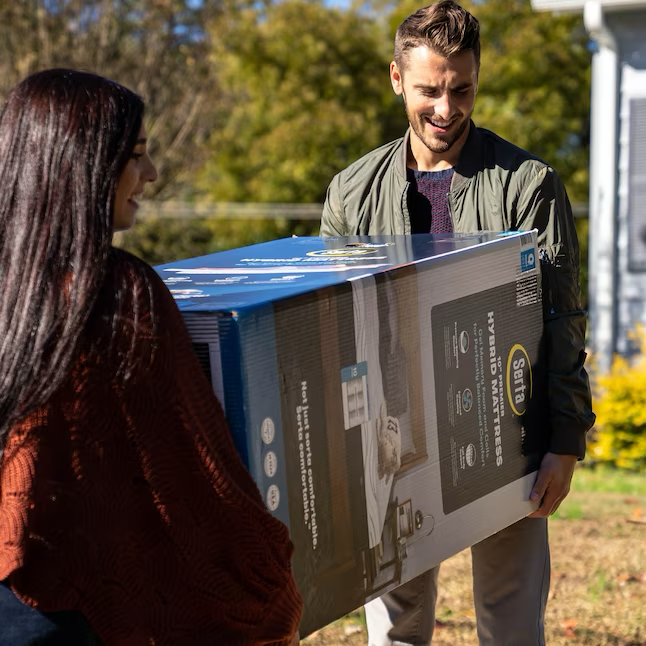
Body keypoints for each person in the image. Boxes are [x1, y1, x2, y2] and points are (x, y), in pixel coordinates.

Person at [320, 2, 595, 644]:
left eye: (461, 88)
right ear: (396, 78)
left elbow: (562, 319)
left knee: (510, 621)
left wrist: (566, 440)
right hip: (395, 443)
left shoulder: (529, 185)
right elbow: (336, 332)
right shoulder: (350, 193)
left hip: (510, 434)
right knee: (395, 626)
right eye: (429, 90)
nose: (446, 109)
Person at [0, 69, 303, 646]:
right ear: (81, 162)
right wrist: (271, 583)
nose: (151, 173)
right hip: (72, 617)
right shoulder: (117, 292)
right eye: (134, 154)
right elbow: (192, 475)